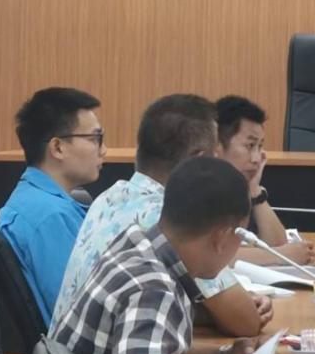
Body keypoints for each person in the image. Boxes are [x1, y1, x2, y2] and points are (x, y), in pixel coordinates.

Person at [50, 157, 315, 354]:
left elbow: (152, 348)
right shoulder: (153, 288)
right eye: (240, 238)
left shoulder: (138, 243)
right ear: (221, 238)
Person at [52, 94, 271, 336]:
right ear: (198, 162)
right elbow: (247, 322)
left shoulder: (110, 196)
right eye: (215, 159)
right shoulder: (168, 218)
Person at [0, 87, 106, 324]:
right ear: (57, 147)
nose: (103, 150)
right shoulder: (49, 218)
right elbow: (82, 317)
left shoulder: (34, 200)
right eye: (95, 139)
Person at [216, 96, 315, 266]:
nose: (256, 158)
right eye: (249, 146)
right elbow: (210, 255)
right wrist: (279, 256)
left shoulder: (238, 189)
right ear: (218, 146)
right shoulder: (197, 187)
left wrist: (255, 192)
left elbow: (278, 243)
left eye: (260, 146)